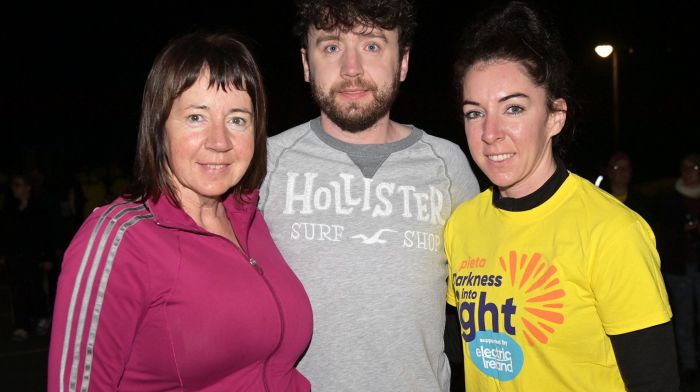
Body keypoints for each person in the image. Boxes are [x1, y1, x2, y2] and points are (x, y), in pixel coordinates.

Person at [48, 32, 313, 391]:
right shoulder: (120, 239)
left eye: (237, 119)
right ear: (160, 127)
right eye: (195, 117)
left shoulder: (253, 219)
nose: (219, 141)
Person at [444, 2, 678, 391]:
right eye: (474, 113)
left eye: (513, 108)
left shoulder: (613, 232)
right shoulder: (462, 225)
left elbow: (655, 380)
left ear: (555, 116)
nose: (490, 132)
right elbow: (460, 357)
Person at [258, 0, 481, 390]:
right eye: (331, 47)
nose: (351, 69)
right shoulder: (264, 165)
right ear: (307, 64)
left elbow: (488, 296)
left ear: (404, 62)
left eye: (373, 46)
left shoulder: (448, 166)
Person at [656, 152, 700, 385]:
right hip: (679, 267)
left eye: (693, 167)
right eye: (684, 166)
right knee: (683, 319)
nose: (688, 171)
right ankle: (689, 365)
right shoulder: (671, 197)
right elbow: (663, 231)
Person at [0, 172, 55, 342]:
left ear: (27, 187)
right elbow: (5, 234)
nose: (14, 189)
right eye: (13, 185)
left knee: (35, 289)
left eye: (18, 184)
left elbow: (47, 234)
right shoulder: (10, 209)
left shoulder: (38, 208)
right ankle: (21, 325)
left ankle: (42, 317)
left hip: (34, 258)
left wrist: (48, 257)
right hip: (15, 258)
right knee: (17, 291)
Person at [599, 151, 651, 218]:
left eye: (627, 167)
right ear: (609, 172)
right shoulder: (601, 198)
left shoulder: (640, 201)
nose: (623, 171)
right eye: (617, 167)